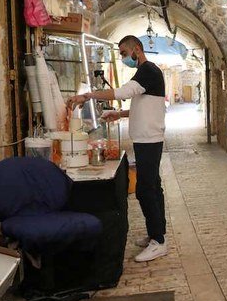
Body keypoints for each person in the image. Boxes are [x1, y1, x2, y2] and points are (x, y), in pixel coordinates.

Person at [68, 35, 168, 263]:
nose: (123, 58)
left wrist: (87, 95)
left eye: (124, 53)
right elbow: (146, 105)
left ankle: (159, 242)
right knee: (154, 186)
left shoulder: (148, 70)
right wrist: (119, 114)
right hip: (146, 138)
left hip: (150, 139)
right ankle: (157, 235)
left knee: (145, 190)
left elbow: (122, 93)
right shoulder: (145, 73)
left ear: (137, 49)